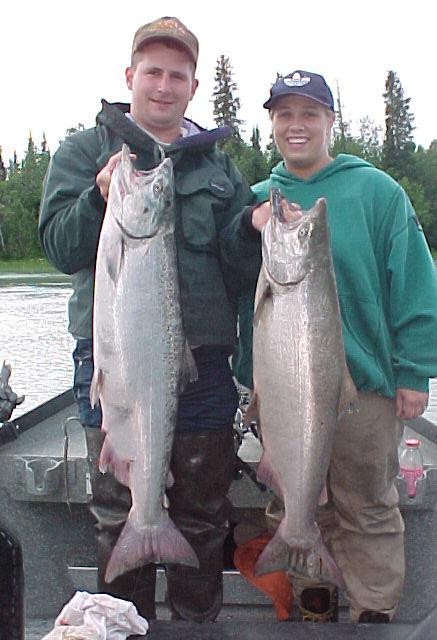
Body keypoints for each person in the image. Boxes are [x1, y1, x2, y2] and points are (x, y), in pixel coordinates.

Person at [38, 16, 257, 622]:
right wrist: (97, 198)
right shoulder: (85, 152)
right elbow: (58, 247)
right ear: (130, 76)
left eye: (178, 76)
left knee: (205, 517)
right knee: (118, 511)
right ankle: (121, 629)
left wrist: (252, 227)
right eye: (153, 72)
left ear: (192, 87)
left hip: (205, 365)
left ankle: (196, 628)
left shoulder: (219, 169)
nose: (164, 86)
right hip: (113, 363)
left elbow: (242, 271)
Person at [232, 70, 437, 623]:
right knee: (292, 507)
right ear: (273, 124)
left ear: (332, 121)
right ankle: (313, 615)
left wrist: (416, 372)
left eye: (310, 114)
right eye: (285, 114)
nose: (297, 125)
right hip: (281, 393)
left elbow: (414, 283)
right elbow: (234, 296)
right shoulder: (257, 202)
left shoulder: (377, 192)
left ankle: (373, 618)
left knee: (368, 509)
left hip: (366, 390)